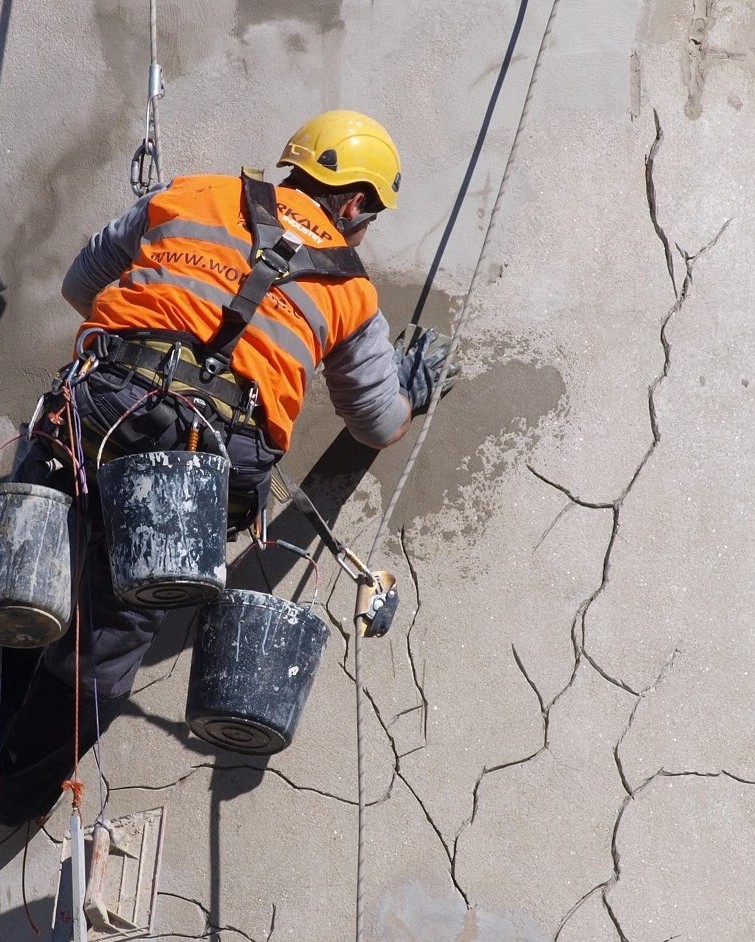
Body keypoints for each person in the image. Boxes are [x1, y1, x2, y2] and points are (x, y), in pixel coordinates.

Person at [0, 110, 455, 828]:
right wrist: (411, 392)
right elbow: (377, 423)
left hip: (99, 403)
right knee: (109, 638)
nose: (363, 233)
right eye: (370, 216)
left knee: (21, 569)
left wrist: (148, 341)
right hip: (200, 459)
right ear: (356, 201)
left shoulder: (191, 195)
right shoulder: (352, 291)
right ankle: (13, 796)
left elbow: (81, 284)